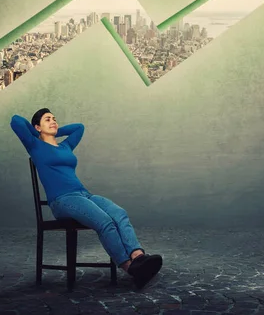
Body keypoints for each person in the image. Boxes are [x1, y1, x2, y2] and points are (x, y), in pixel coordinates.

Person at [10, 108, 163, 289]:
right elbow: (16, 120)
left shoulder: (65, 146)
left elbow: (79, 128)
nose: (53, 121)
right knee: (105, 221)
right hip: (62, 200)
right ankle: (130, 268)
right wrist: (37, 132)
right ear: (37, 127)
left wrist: (56, 130)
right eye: (47, 119)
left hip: (84, 194)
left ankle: (138, 257)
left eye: (54, 119)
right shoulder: (34, 145)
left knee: (119, 213)